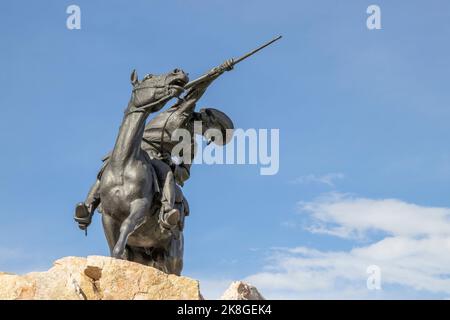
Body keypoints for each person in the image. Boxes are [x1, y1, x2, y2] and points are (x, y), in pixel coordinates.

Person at [74, 61, 234, 231]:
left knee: (167, 176)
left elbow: (184, 173)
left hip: (156, 158)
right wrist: (218, 71)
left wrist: (173, 166)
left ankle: (166, 212)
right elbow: (197, 90)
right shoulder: (181, 110)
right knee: (109, 165)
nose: (204, 123)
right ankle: (88, 207)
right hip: (137, 145)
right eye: (207, 119)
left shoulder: (190, 144)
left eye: (209, 128)